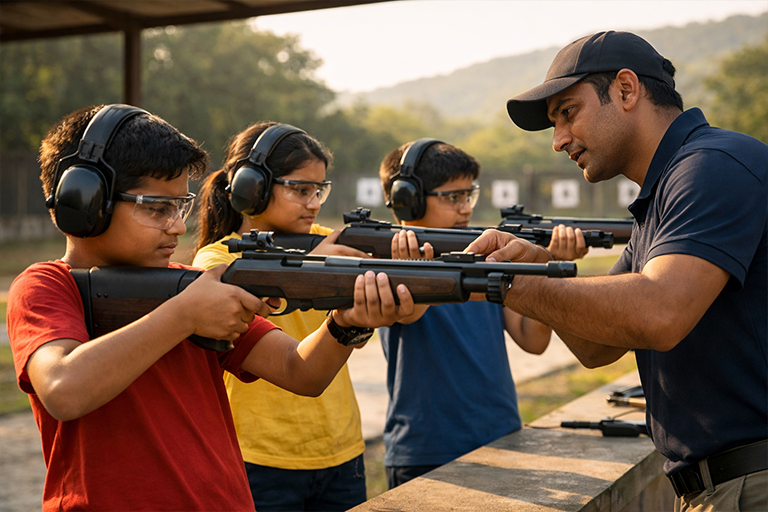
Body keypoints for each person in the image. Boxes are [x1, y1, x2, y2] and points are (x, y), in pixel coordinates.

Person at [7, 105, 414, 511]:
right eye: (156, 208)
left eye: (179, 206)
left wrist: (346, 325)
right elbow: (64, 389)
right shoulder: (48, 286)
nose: (178, 226)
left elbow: (300, 372)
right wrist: (184, 315)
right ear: (85, 202)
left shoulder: (194, 288)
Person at [465, 31, 767, 510]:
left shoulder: (712, 165)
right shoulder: (663, 192)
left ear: (627, 90)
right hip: (721, 484)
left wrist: (510, 282)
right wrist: (539, 269)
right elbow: (597, 346)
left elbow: (659, 313)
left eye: (568, 113)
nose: (559, 140)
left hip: (751, 481)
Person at [376, 138, 587, 489]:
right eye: (452, 197)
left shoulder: (484, 258)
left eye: (468, 196)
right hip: (427, 449)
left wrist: (547, 265)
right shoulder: (390, 265)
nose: (465, 209)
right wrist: (419, 266)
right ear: (406, 201)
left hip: (501, 436)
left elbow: (533, 340)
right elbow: (407, 314)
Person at [193, 122, 375, 511]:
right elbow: (221, 293)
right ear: (251, 187)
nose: (314, 202)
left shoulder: (327, 241)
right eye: (300, 189)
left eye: (319, 190)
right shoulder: (217, 258)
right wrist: (313, 267)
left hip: (342, 448)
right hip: (260, 456)